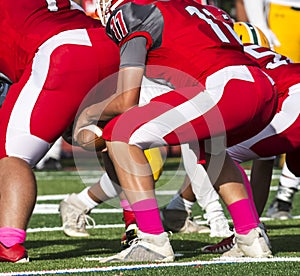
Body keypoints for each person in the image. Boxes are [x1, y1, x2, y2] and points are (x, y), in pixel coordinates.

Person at [73, 0, 276, 262]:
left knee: (120, 133)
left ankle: (152, 240)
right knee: (208, 146)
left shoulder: (133, 10)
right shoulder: (201, 8)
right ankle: (251, 237)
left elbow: (126, 98)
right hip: (261, 87)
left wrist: (87, 114)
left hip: (223, 88)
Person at [0, 0, 122, 263]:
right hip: (109, 47)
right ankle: (139, 225)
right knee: (115, 139)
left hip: (61, 52)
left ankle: (8, 243)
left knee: (12, 155)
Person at [237, 0, 300, 220]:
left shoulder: (240, 65)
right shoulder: (277, 59)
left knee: (214, 154)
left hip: (292, 110)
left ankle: (246, 227)